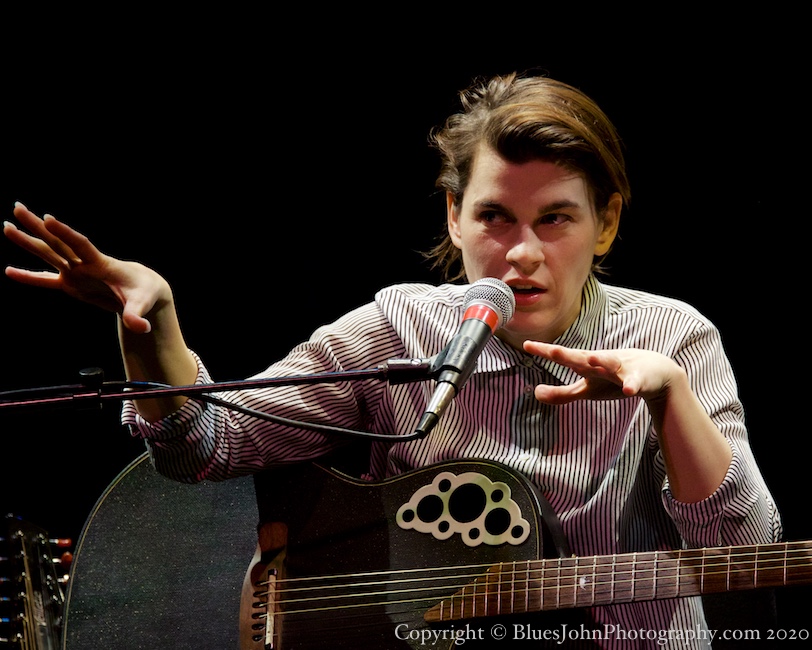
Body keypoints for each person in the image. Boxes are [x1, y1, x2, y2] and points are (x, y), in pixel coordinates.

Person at [4, 72, 781, 648]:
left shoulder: (675, 337)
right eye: (494, 217)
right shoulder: (400, 328)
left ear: (606, 223)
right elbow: (209, 445)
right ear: (453, 213)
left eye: (557, 220)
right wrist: (153, 326)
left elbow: (746, 556)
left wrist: (670, 399)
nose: (522, 253)